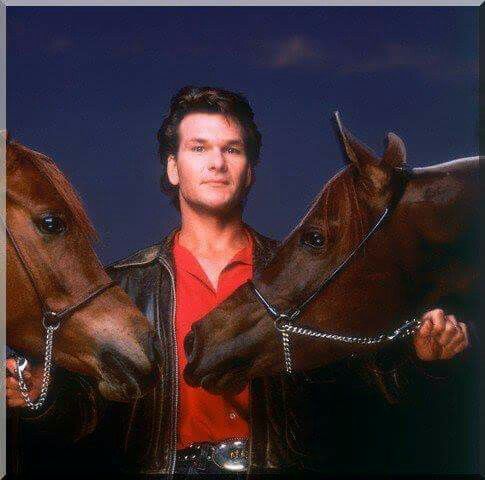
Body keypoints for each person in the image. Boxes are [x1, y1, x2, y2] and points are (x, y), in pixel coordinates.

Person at [6, 86, 474, 475]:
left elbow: (356, 382)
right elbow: (87, 413)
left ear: (250, 171)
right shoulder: (122, 285)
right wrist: (38, 397)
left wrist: (420, 360)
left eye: (232, 149)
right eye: (198, 148)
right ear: (173, 169)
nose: (217, 163)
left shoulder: (300, 279)